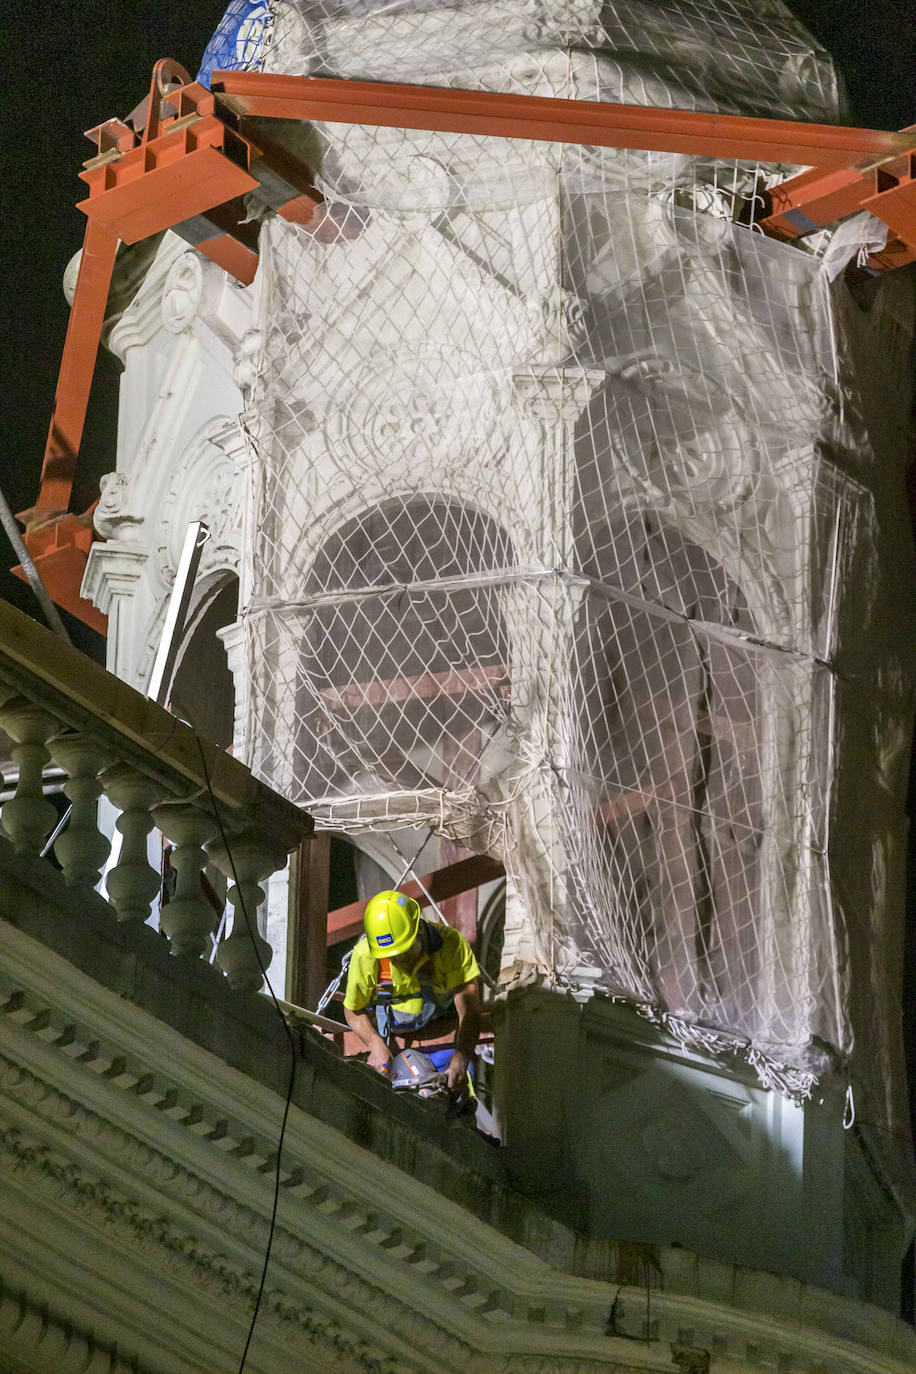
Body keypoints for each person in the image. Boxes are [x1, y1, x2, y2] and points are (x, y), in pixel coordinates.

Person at [343, 889, 481, 1097]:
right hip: (393, 1047)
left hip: (446, 1043)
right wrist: (375, 1044)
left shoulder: (450, 946)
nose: (398, 961)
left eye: (403, 952)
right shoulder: (366, 956)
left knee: (456, 1100)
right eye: (391, 956)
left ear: (418, 930)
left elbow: (469, 1011)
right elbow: (353, 1010)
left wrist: (460, 1059)